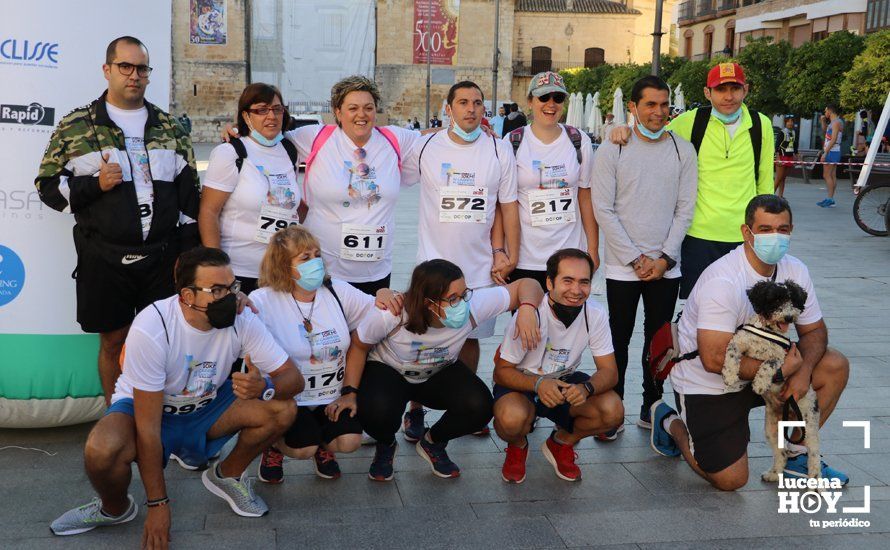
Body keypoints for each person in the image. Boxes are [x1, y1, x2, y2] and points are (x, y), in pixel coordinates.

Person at [49, 247, 303, 543]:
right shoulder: (153, 327)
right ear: (187, 296)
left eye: (233, 287)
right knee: (101, 447)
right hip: (150, 410)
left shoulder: (242, 319)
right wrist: (158, 504)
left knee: (282, 409)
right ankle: (114, 508)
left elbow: (293, 378)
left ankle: (227, 475)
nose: (231, 297)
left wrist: (265, 386)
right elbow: (147, 428)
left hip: (206, 408)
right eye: (218, 290)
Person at [35, 36, 201, 405]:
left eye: (141, 68)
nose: (134, 75)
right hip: (105, 258)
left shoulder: (171, 128)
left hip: (162, 258)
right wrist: (95, 185)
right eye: (125, 66)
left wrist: (187, 260)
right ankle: (118, 418)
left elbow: (191, 202)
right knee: (113, 340)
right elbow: (47, 187)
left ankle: (165, 419)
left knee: (167, 341)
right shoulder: (75, 126)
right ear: (107, 69)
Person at [650, 195, 850, 491]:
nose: (775, 237)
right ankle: (669, 421)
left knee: (833, 365)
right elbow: (714, 359)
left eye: (783, 230)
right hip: (709, 382)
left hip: (764, 372)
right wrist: (780, 371)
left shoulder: (795, 270)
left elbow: (815, 331)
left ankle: (795, 454)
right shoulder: (724, 280)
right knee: (730, 480)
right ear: (747, 232)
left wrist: (804, 371)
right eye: (766, 229)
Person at [335, 259, 543, 480]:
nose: (462, 303)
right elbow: (358, 345)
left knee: (479, 406)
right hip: (390, 371)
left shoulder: (471, 307)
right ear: (428, 303)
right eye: (453, 299)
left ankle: (433, 442)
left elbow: (528, 284)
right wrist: (349, 393)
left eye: (464, 294)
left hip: (437, 372)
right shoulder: (393, 314)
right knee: (374, 410)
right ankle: (386, 444)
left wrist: (527, 309)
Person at [226, 76, 424, 296]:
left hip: (376, 270)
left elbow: (435, 139)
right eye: (353, 108)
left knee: (369, 329)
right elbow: (266, 137)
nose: (362, 114)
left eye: (369, 108)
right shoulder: (314, 137)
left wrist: (462, 126)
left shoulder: (395, 139)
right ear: (338, 112)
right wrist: (238, 131)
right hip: (323, 269)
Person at [400, 80, 520, 439]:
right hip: (432, 267)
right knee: (421, 339)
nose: (471, 108)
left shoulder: (499, 151)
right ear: (448, 108)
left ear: (485, 109)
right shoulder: (425, 147)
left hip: (479, 270)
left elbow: (508, 207)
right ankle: (415, 409)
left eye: (478, 103)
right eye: (463, 102)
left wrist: (508, 256)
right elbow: (381, 156)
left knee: (469, 340)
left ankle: (463, 407)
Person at [249, 226, 402, 484]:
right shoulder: (263, 300)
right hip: (289, 400)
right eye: (305, 258)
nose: (315, 262)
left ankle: (324, 446)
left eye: (317, 254)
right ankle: (273, 446)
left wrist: (384, 293)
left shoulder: (335, 290)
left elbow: (378, 309)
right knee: (301, 447)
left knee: (350, 441)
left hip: (330, 396)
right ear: (283, 265)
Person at [610, 62, 773, 299]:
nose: (729, 96)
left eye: (735, 88)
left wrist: (765, 231)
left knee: (745, 307)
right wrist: (621, 128)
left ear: (745, 90)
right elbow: (652, 130)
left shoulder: (760, 125)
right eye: (720, 89)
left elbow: (765, 183)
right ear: (708, 93)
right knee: (698, 308)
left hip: (744, 235)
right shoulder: (691, 122)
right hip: (698, 236)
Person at [591, 75, 698, 438]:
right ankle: (613, 410)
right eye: (650, 104)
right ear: (633, 108)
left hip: (666, 269)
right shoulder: (612, 149)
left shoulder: (684, 150)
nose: (659, 112)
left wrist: (664, 259)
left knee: (658, 342)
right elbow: (603, 209)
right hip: (623, 269)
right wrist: (636, 260)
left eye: (664, 104)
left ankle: (650, 407)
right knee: (617, 340)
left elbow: (685, 209)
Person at [493, 249, 624, 483]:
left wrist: (586, 389)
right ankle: (517, 446)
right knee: (511, 419)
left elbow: (609, 371)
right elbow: (501, 372)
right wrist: (538, 383)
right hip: (523, 381)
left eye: (584, 282)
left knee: (613, 410)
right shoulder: (529, 315)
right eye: (567, 280)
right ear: (549, 282)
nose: (576, 290)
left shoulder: (595, 313)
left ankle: (561, 443)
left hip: (564, 379)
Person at [199, 83, 304, 296]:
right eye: (261, 110)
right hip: (240, 271)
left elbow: (297, 207)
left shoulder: (289, 150)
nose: (271, 116)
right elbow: (208, 212)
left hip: (279, 271)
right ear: (246, 116)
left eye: (277, 109)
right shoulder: (230, 153)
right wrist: (218, 270)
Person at [500, 71, 599, 290]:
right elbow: (505, 203)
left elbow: (585, 196)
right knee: (527, 322)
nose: (551, 104)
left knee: (568, 322)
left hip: (569, 256)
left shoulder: (578, 139)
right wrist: (504, 252)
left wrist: (593, 248)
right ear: (530, 101)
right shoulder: (513, 141)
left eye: (558, 98)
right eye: (543, 98)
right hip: (526, 257)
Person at [818, 105, 844, 208]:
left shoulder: (836, 122)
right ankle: (830, 198)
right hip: (833, 150)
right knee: (832, 175)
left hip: (832, 151)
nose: (825, 113)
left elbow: (833, 139)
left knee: (827, 175)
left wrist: (825, 153)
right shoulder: (834, 122)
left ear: (829, 111)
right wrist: (823, 121)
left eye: (825, 111)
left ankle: (830, 198)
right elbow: (825, 131)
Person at [774, 116, 797, 198]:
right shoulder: (782, 132)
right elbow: (777, 146)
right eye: (788, 121)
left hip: (790, 157)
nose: (790, 123)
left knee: (783, 178)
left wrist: (796, 155)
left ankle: (780, 196)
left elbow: (794, 145)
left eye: (792, 121)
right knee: (778, 178)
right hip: (781, 156)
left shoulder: (794, 132)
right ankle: (770, 196)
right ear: (785, 123)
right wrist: (778, 158)